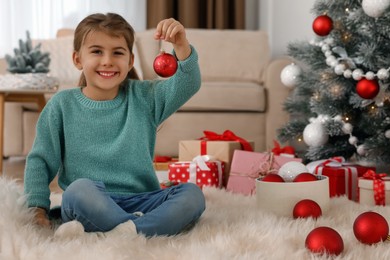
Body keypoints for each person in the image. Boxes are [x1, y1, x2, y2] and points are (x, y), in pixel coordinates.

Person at [23, 13, 204, 238]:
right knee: (78, 191)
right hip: (89, 202)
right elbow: (40, 161)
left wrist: (181, 45)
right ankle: (145, 229)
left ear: (130, 61)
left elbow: (189, 83)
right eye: (97, 51)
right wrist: (37, 208)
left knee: (192, 195)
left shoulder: (145, 97)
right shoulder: (61, 105)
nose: (107, 60)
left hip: (144, 200)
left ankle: (128, 231)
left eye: (117, 52)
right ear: (78, 59)